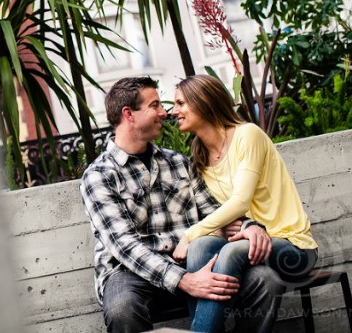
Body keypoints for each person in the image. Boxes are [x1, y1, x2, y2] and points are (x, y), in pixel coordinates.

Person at [81, 76, 282, 333]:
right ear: (129, 114)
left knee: (266, 281)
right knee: (122, 308)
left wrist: (249, 226)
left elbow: (213, 211)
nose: (164, 112)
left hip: (192, 262)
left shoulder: (178, 162)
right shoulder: (99, 176)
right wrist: (186, 281)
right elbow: (125, 246)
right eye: (154, 105)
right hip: (131, 273)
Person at [171, 74, 319, 333]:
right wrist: (212, 233)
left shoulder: (247, 135)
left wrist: (191, 233)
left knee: (223, 248)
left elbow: (240, 202)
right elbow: (220, 213)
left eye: (181, 103)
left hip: (292, 245)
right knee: (201, 246)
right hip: (249, 244)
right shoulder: (200, 158)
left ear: (203, 101)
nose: (174, 111)